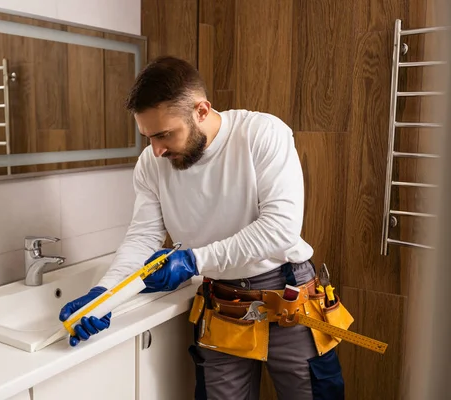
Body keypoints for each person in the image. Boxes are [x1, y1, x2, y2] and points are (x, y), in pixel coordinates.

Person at [58, 56, 346, 399]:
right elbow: (143, 238)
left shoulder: (261, 134)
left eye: (164, 134)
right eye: (147, 137)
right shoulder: (152, 163)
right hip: (223, 302)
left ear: (202, 111)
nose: (156, 149)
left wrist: (194, 261)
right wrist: (104, 296)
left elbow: (279, 228)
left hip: (287, 295)